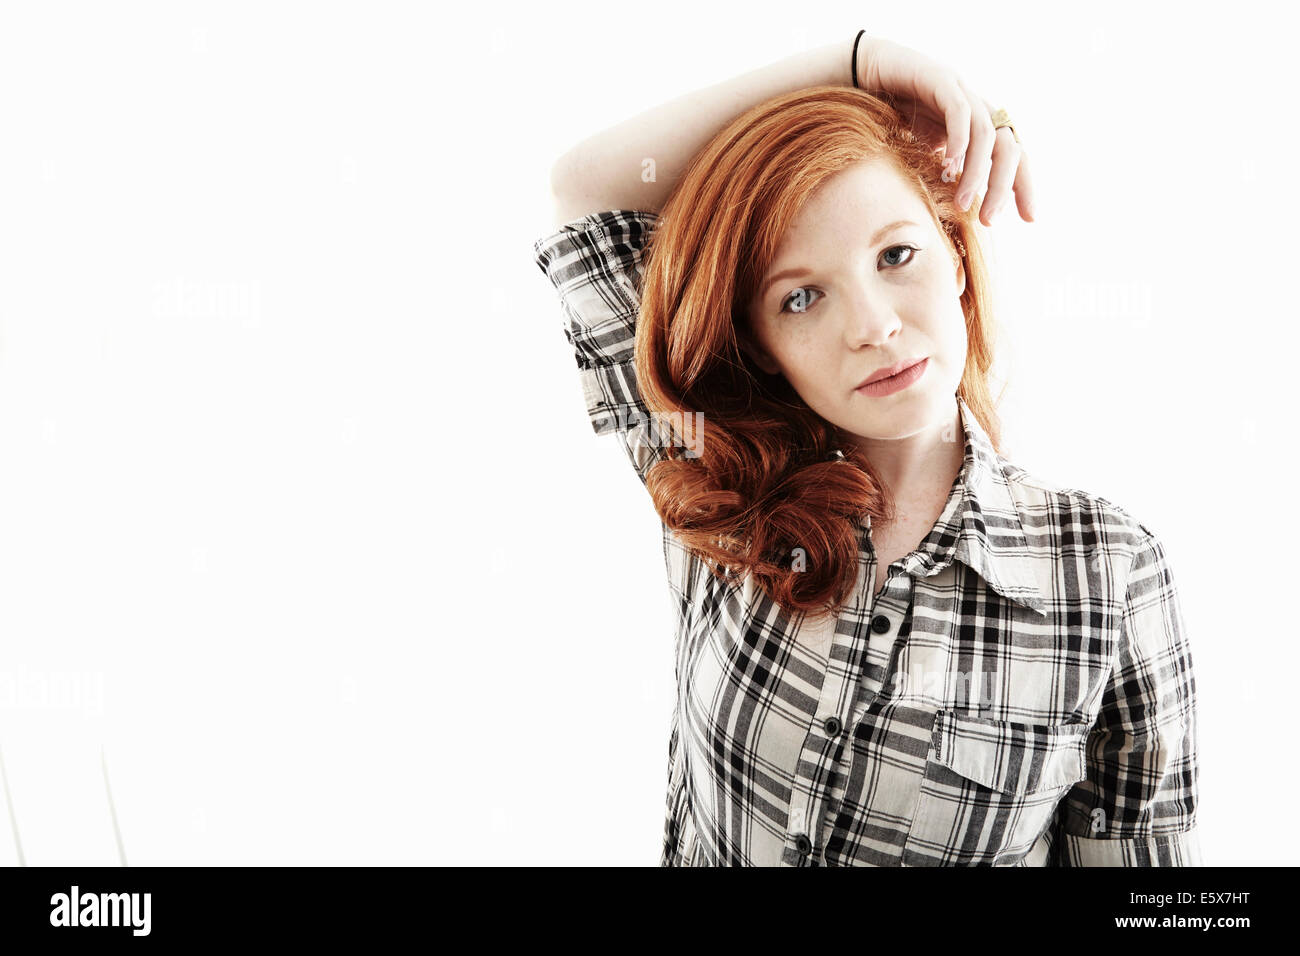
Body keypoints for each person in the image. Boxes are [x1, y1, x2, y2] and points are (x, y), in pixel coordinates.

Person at [531, 33, 1200, 867]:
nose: (872, 325)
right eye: (802, 296)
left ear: (956, 255)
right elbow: (585, 191)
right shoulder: (714, 474)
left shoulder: (1104, 569)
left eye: (896, 255)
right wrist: (862, 62)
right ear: (765, 342)